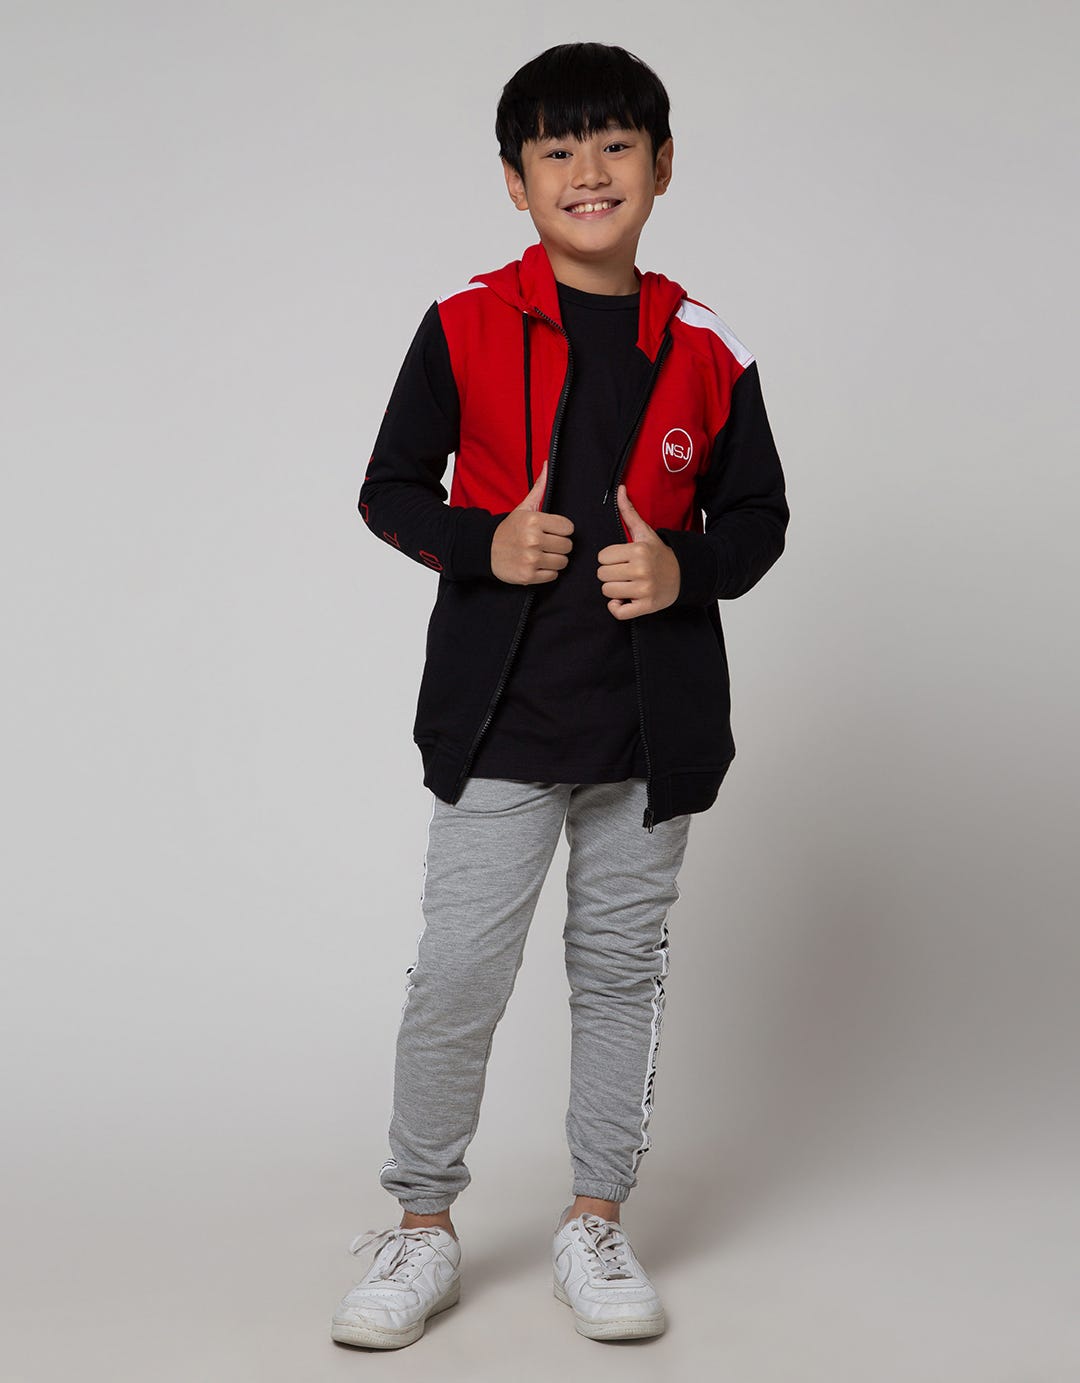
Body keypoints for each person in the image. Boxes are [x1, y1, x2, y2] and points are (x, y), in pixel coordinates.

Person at [331, 41, 789, 1350]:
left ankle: (596, 1219)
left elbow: (759, 518)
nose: (589, 170)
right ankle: (421, 1225)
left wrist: (683, 565)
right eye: (557, 150)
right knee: (459, 974)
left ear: (662, 166)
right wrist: (484, 543)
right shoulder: (464, 323)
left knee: (620, 975)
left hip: (651, 731)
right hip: (503, 725)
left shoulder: (709, 347)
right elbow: (387, 491)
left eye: (615, 145)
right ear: (516, 181)